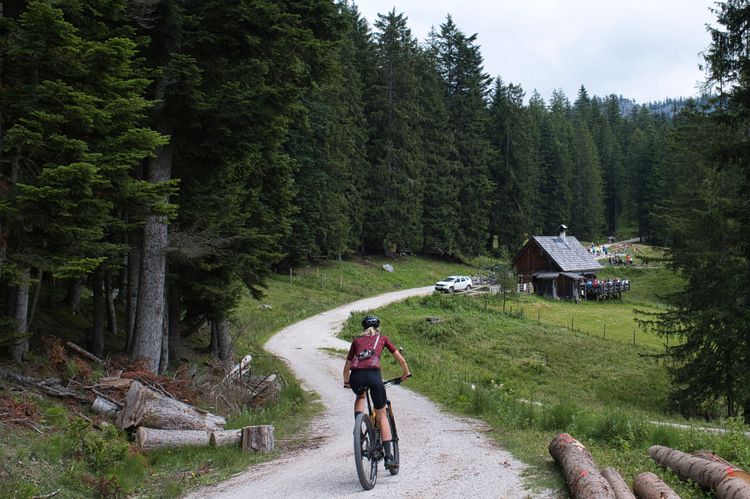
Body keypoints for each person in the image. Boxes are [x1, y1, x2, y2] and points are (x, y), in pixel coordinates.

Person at [343, 314, 410, 469]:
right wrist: (405, 373)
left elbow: (347, 366)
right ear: (378, 328)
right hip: (374, 376)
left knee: (360, 395)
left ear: (363, 328)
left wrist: (346, 382)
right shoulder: (383, 339)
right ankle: (388, 458)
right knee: (381, 415)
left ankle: (358, 428)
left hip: (356, 377)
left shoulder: (356, 341)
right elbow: (401, 360)